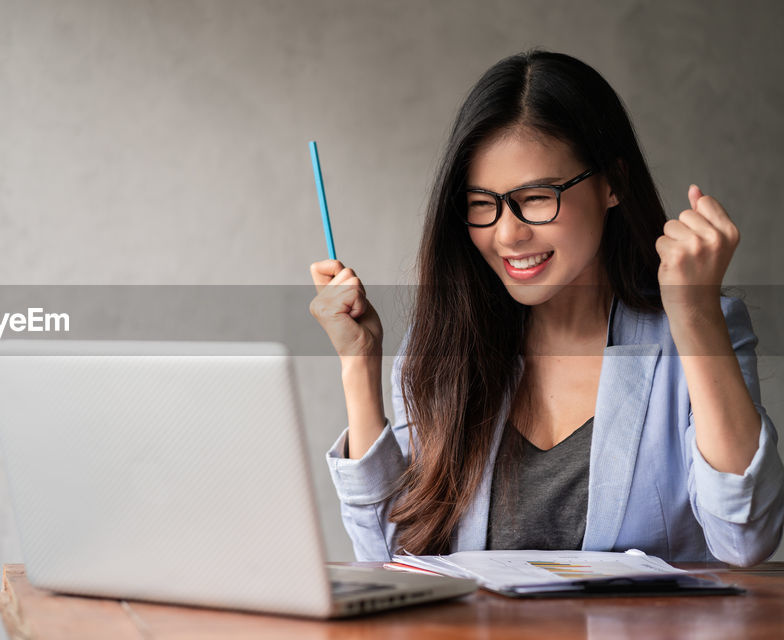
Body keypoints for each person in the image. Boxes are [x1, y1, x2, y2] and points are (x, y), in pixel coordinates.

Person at [308, 50, 784, 566]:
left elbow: (745, 539)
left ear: (613, 184)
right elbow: (388, 558)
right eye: (482, 204)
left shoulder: (696, 331)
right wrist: (359, 365)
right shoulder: (443, 347)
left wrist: (694, 316)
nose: (508, 234)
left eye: (537, 197)